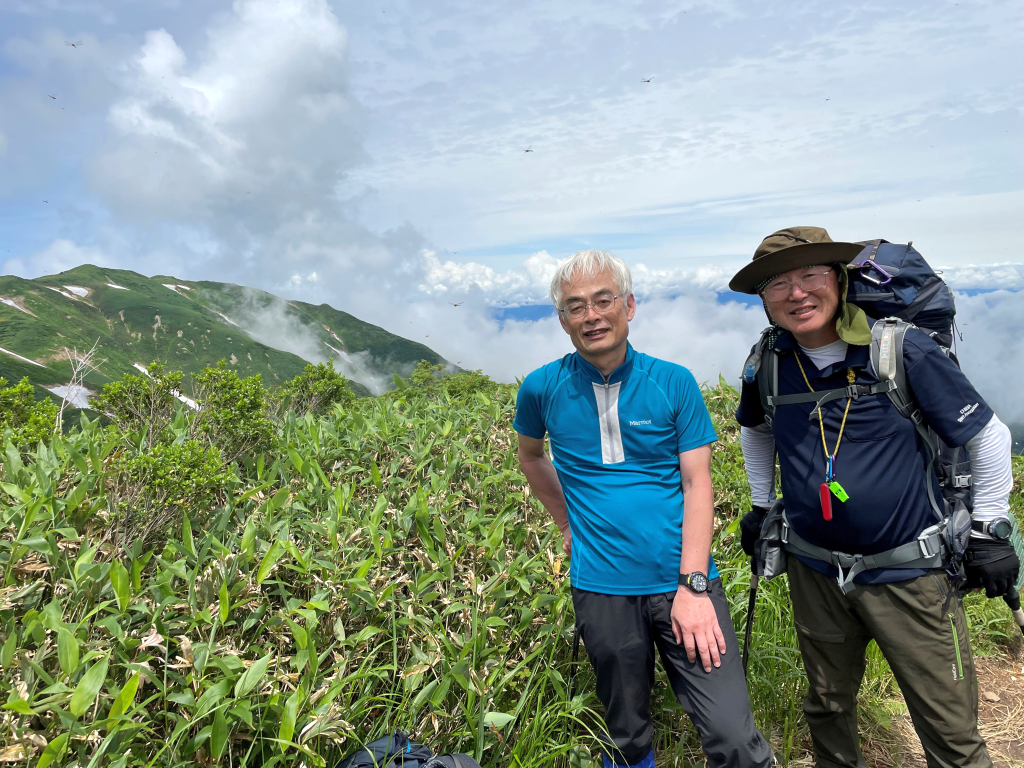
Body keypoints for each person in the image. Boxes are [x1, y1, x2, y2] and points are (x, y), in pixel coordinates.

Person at [730, 227, 1017, 768]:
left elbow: (988, 435)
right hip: (815, 568)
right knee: (827, 706)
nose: (797, 293)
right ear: (763, 299)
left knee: (949, 727)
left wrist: (990, 530)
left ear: (839, 281)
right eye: (778, 283)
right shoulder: (769, 359)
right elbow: (756, 429)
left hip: (910, 572)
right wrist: (763, 505)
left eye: (811, 275)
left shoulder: (898, 348)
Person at [514, 250, 773, 768]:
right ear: (562, 319)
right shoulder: (541, 387)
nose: (591, 315)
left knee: (732, 733)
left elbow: (700, 484)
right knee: (626, 732)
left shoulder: (672, 382)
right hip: (600, 587)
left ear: (628, 306)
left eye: (603, 299)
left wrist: (694, 585)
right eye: (575, 306)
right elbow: (530, 455)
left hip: (683, 581)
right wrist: (566, 520)